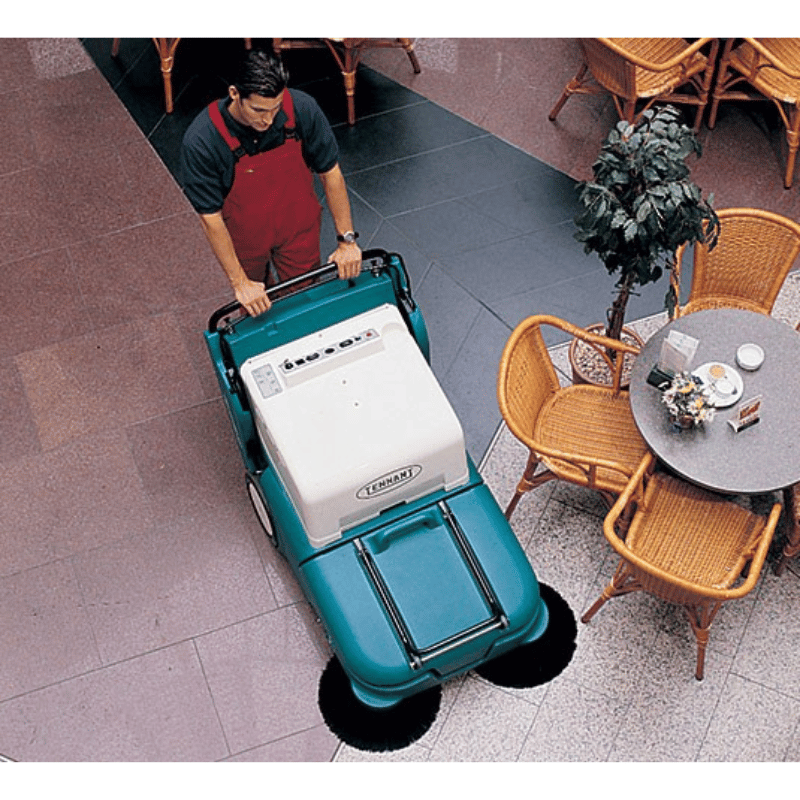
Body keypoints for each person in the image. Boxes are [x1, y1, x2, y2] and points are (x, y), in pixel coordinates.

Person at [180, 49, 362, 316]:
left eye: (275, 108)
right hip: (245, 238)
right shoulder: (202, 141)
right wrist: (240, 282)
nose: (268, 119)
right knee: (257, 308)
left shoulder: (301, 109)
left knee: (305, 299)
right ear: (234, 94)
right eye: (258, 110)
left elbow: (330, 172)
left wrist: (347, 241)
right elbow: (210, 216)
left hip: (297, 226)